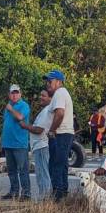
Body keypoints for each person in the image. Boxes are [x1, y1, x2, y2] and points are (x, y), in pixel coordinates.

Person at [45, 70, 75, 201]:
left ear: (58, 82)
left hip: (61, 134)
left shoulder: (59, 93)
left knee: (55, 166)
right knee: (62, 165)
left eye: (50, 81)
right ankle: (63, 194)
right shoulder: (62, 93)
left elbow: (60, 113)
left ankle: (57, 197)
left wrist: (52, 130)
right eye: (47, 81)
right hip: (65, 134)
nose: (47, 84)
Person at [19, 90, 53, 199]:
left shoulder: (47, 110)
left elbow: (39, 130)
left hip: (41, 146)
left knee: (43, 174)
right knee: (41, 174)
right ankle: (45, 198)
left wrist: (25, 126)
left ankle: (45, 199)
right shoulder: (45, 110)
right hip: (39, 146)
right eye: (40, 95)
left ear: (50, 98)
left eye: (43, 95)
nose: (40, 97)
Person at [0, 84, 31, 201]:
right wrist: (2, 142)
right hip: (8, 143)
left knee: (23, 170)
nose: (14, 95)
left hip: (19, 144)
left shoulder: (23, 105)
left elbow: (19, 117)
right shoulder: (8, 107)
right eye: (12, 93)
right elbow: (6, 124)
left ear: (20, 94)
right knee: (11, 170)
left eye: (16, 92)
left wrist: (11, 109)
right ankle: (14, 192)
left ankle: (26, 194)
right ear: (9, 94)